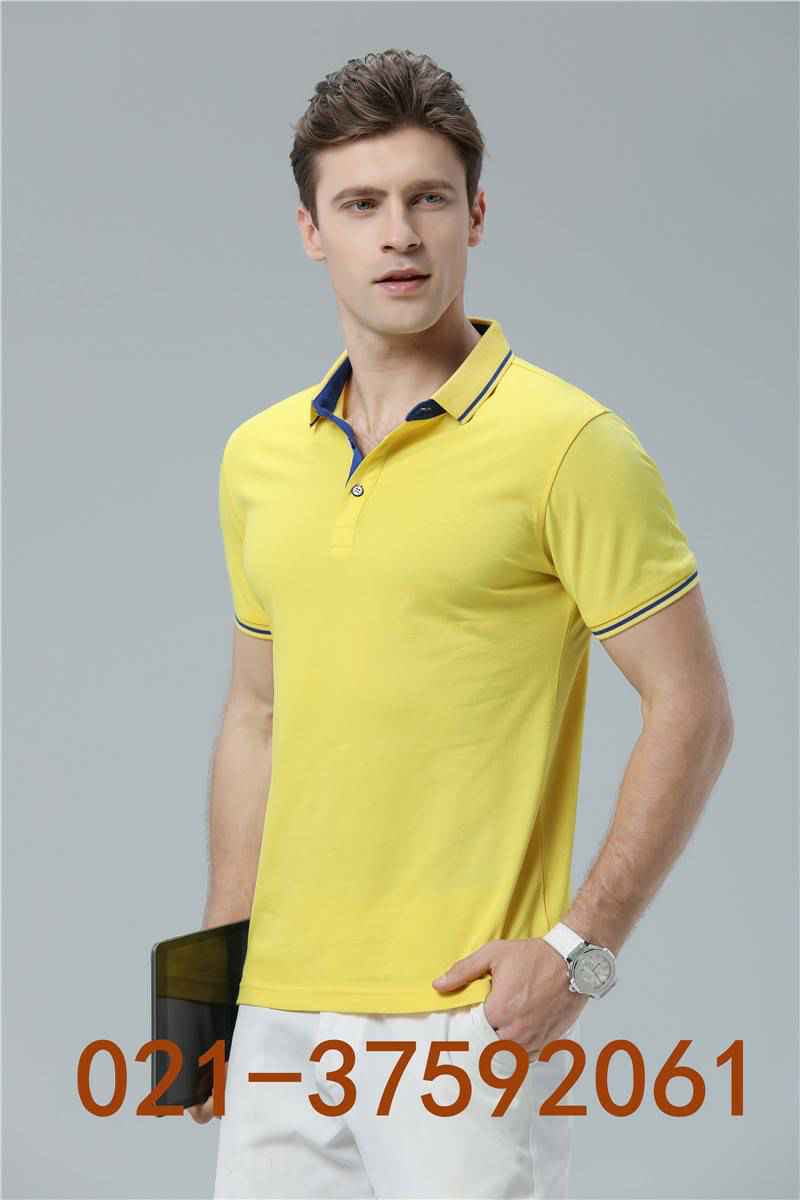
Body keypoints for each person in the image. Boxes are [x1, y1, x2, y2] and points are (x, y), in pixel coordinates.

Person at [192, 48, 734, 1200]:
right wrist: (206, 980)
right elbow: (255, 715)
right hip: (277, 1013)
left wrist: (578, 956)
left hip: (463, 1020)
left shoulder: (569, 446)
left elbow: (691, 710)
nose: (398, 235)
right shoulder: (255, 459)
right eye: (360, 205)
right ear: (310, 231)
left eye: (426, 199)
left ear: (474, 215)